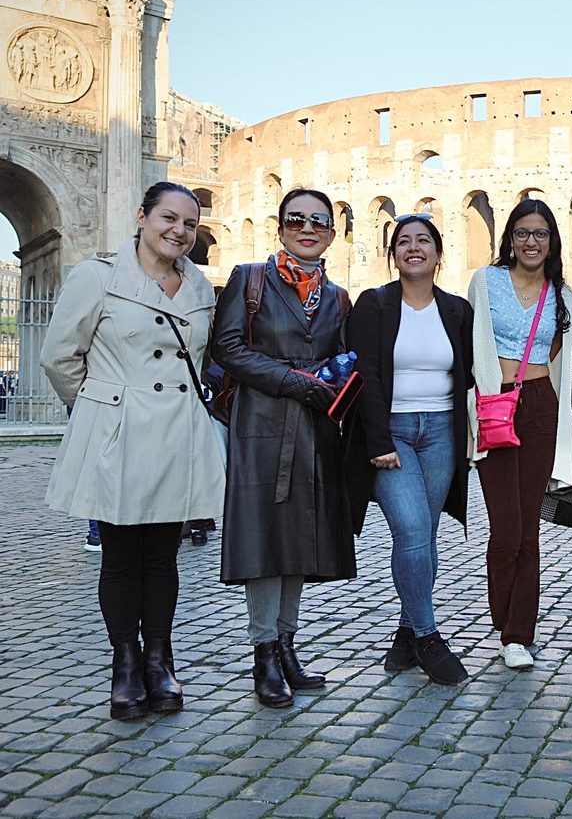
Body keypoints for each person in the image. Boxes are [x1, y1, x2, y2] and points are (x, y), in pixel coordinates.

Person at [41, 181, 225, 720]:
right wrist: (104, 407)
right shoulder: (98, 277)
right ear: (143, 217)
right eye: (169, 218)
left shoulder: (200, 289)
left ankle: (160, 660)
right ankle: (125, 662)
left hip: (176, 435)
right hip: (119, 432)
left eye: (189, 224)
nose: (179, 231)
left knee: (163, 555)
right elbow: (60, 358)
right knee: (121, 555)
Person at [212, 187, 356, 708]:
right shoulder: (250, 280)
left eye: (319, 220)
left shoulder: (337, 297)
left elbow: (344, 359)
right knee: (264, 541)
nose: (307, 227)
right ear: (280, 227)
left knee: (299, 540)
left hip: (316, 430)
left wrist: (337, 382)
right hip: (262, 426)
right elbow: (226, 348)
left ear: (332, 234)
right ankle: (263, 654)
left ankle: (289, 648)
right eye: (297, 219)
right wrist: (295, 381)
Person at [346, 213, 474, 685]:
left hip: (441, 429)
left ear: (439, 254)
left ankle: (403, 636)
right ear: (392, 254)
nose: (413, 247)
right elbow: (366, 376)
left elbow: (467, 374)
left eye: (424, 240)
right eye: (403, 241)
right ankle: (426, 635)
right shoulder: (374, 305)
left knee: (425, 534)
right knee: (415, 528)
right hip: (392, 430)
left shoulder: (457, 310)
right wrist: (378, 441)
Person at [468, 199, 572, 670]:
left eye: (541, 233)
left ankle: (518, 632)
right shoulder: (485, 282)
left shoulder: (561, 294)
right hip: (494, 401)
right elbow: (472, 344)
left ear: (552, 241)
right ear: (509, 238)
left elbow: (560, 355)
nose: (531, 241)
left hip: (538, 404)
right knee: (505, 526)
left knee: (528, 523)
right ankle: (503, 619)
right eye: (523, 232)